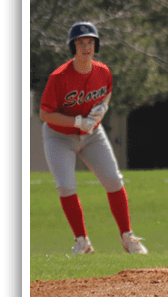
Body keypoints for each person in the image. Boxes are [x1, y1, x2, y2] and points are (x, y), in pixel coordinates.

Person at [39, 22, 148, 255]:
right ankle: (82, 242)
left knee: (113, 180)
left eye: (90, 42)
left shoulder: (103, 71)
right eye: (80, 43)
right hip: (59, 136)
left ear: (95, 46)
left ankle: (128, 237)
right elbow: (45, 114)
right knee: (66, 186)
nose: (86, 47)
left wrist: (101, 110)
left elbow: (106, 92)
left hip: (91, 134)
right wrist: (78, 121)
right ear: (73, 46)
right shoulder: (59, 77)